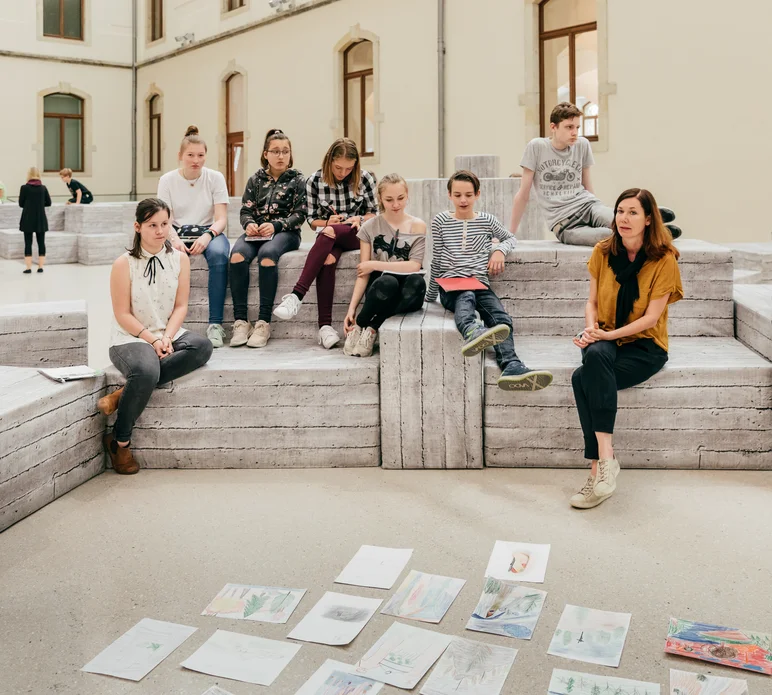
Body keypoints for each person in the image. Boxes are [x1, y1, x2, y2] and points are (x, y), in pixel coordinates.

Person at [570, 187, 683, 509]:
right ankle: (607, 460)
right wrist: (593, 329)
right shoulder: (602, 252)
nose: (624, 218)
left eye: (633, 212)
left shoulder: (664, 260)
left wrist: (607, 335)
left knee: (583, 378)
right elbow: (591, 302)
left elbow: (651, 319)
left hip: (645, 346)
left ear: (649, 219)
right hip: (605, 336)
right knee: (594, 357)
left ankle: (595, 469)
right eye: (620, 211)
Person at [97, 198, 213, 474]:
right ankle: (120, 442)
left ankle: (125, 394)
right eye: (152, 225)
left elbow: (181, 305)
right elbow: (122, 313)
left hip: (167, 332)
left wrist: (168, 338)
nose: (160, 231)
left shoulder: (180, 259)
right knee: (146, 371)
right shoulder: (123, 264)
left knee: (203, 346)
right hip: (131, 336)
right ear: (138, 227)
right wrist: (153, 339)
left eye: (164, 224)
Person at [426, 170, 554, 390]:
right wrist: (429, 296)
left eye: (468, 194)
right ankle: (471, 331)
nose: (463, 200)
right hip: (451, 287)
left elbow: (510, 238)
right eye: (457, 195)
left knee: (500, 316)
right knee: (465, 296)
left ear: (477, 194)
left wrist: (499, 251)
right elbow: (436, 258)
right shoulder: (441, 221)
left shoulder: (487, 221)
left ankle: (512, 365)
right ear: (449, 195)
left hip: (479, 284)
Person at [510, 102, 681, 246]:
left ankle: (649, 218)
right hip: (565, 225)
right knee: (610, 237)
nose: (575, 132)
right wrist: (509, 234)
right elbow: (523, 194)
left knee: (619, 222)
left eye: (577, 127)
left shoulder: (582, 144)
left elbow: (587, 185)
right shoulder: (537, 147)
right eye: (569, 127)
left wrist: (598, 209)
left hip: (589, 207)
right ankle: (658, 232)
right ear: (553, 127)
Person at [273, 137, 377, 349]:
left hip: (359, 235)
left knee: (329, 233)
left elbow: (375, 214)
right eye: (338, 167)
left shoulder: (365, 179)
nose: (343, 173)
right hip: (331, 236)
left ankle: (296, 295)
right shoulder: (314, 181)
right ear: (329, 161)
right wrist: (328, 221)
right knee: (328, 258)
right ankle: (325, 328)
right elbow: (312, 221)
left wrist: (360, 218)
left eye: (349, 168)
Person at [229, 129, 306, 348]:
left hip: (285, 233)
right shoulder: (255, 179)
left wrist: (276, 225)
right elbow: (245, 210)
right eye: (275, 151)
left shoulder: (298, 180)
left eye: (285, 151)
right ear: (265, 154)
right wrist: (249, 224)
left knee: (267, 256)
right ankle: (241, 321)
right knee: (236, 256)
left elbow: (300, 214)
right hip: (255, 234)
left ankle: (263, 322)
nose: (281, 156)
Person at [157, 125, 230, 348]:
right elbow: (164, 218)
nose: (195, 160)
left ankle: (215, 324)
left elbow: (221, 218)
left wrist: (207, 236)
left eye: (200, 155)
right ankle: (163, 324)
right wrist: (175, 239)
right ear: (180, 156)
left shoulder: (215, 178)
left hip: (209, 230)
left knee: (219, 256)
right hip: (176, 232)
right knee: (162, 257)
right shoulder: (167, 180)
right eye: (190, 155)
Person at [343, 173, 427, 357]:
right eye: (389, 199)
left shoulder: (417, 225)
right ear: (380, 198)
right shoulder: (370, 227)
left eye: (400, 198)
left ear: (407, 195)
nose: (396, 204)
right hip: (382, 287)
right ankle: (359, 326)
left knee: (417, 283)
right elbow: (363, 273)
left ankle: (371, 326)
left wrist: (374, 263)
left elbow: (414, 266)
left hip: (408, 290)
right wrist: (352, 309)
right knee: (388, 281)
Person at [18, 167, 51, 273]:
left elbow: (20, 204)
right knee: (41, 242)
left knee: (28, 243)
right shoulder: (43, 188)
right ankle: (40, 267)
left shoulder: (24, 188)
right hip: (40, 218)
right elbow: (49, 203)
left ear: (28, 175)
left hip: (27, 218)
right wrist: (40, 204)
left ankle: (28, 268)